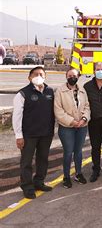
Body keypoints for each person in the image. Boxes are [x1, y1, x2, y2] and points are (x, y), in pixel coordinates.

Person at [13, 66, 55, 199]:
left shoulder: (50, 91)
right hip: (29, 135)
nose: (38, 76)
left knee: (42, 159)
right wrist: (19, 136)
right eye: (35, 74)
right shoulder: (22, 94)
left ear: (45, 77)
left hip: (46, 134)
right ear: (29, 77)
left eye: (41, 74)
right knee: (26, 162)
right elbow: (17, 116)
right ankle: (27, 186)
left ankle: (39, 182)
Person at [54, 68, 90, 188]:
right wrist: (73, 122)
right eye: (69, 75)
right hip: (67, 127)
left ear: (78, 76)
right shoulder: (60, 91)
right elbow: (58, 111)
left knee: (78, 152)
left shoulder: (82, 90)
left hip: (82, 126)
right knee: (68, 152)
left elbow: (87, 106)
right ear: (66, 76)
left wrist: (84, 119)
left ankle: (78, 173)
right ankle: (66, 177)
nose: (71, 77)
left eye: (74, 75)